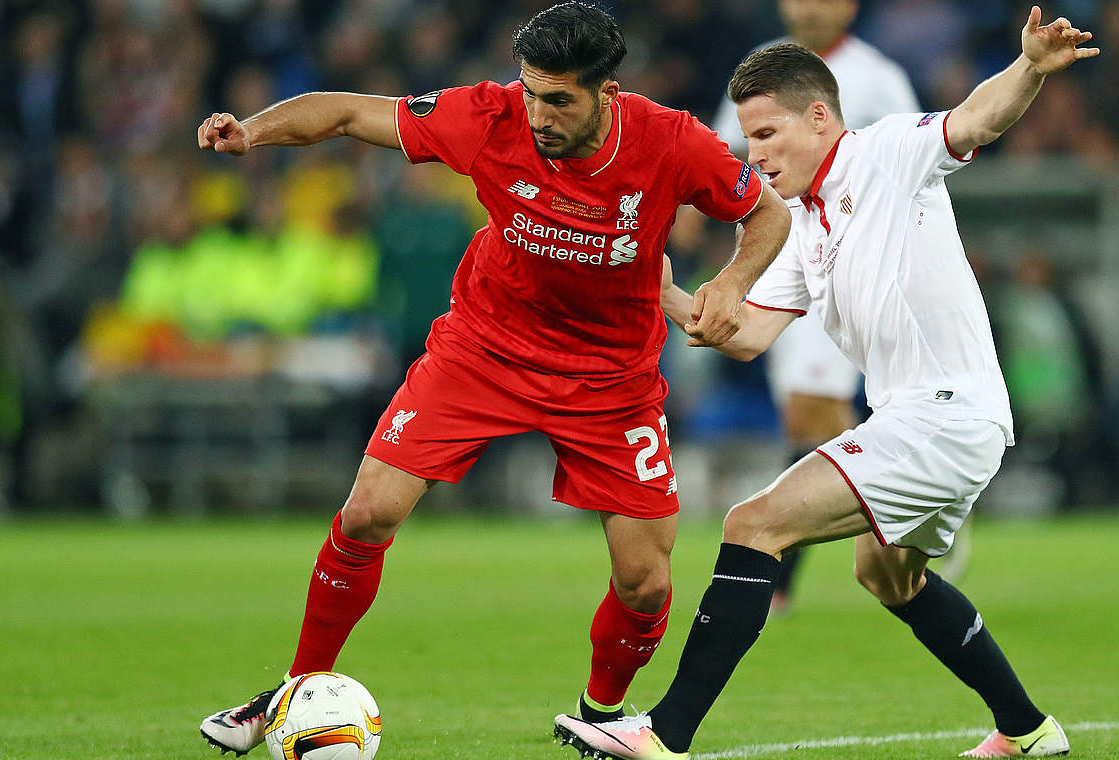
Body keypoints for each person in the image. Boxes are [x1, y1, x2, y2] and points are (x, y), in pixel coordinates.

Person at [194, 3, 790, 756]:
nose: (538, 115)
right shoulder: (487, 116)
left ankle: (600, 713)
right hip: (486, 348)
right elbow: (344, 112)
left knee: (645, 582)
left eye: (559, 99)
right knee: (367, 513)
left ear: (608, 93)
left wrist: (733, 284)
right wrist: (252, 131)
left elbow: (767, 214)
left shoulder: (671, 141)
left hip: (611, 376)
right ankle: (293, 692)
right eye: (531, 92)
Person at [554, 7, 1097, 759]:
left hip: (946, 416)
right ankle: (1027, 731)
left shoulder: (886, 152)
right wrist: (663, 290)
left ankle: (664, 734)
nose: (757, 156)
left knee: (752, 523)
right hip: (918, 419)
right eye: (749, 141)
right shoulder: (803, 227)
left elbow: (975, 119)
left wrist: (1032, 65)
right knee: (889, 578)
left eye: (768, 135)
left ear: (819, 116)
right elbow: (743, 335)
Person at [713, 0, 923, 618]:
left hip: (848, 268)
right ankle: (912, 496)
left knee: (811, 410)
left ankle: (782, 570)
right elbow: (725, 161)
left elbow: (916, 169)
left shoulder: (879, 76)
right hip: (779, 260)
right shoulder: (759, 77)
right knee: (803, 419)